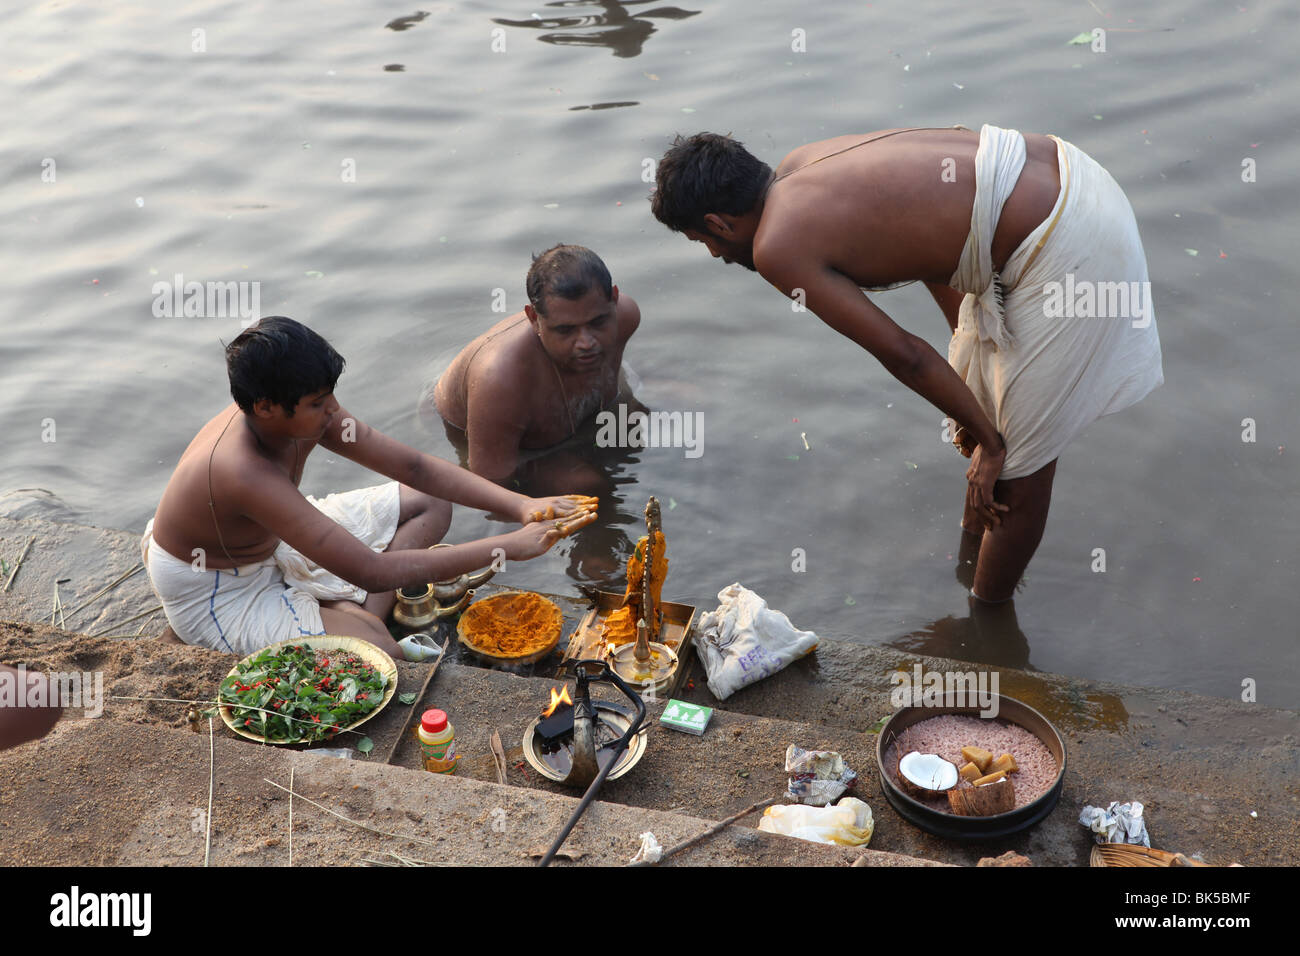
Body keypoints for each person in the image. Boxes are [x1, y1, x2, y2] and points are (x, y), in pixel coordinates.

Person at [651, 125, 1162, 602]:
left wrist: (988, 439)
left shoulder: (775, 246)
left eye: (707, 241)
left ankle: (985, 637)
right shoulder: (801, 164)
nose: (717, 255)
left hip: (1066, 244)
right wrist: (971, 396)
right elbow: (936, 252)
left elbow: (905, 354)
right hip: (1076, 174)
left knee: (1017, 475)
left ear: (718, 223)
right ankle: (969, 564)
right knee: (989, 428)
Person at [142, 316, 596, 659]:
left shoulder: (300, 414)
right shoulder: (241, 470)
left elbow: (414, 466)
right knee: (381, 656)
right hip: (218, 587)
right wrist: (507, 547)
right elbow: (370, 572)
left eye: (331, 396)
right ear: (265, 407)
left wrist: (521, 504)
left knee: (431, 503)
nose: (334, 412)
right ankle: (359, 619)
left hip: (271, 540)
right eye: (319, 404)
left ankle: (353, 615)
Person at [432, 244, 641, 483]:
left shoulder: (626, 317)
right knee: (585, 484)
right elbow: (489, 483)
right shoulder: (500, 378)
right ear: (533, 319)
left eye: (597, 322)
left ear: (614, 299)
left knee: (641, 434)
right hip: (491, 440)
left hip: (578, 420)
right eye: (565, 330)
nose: (586, 342)